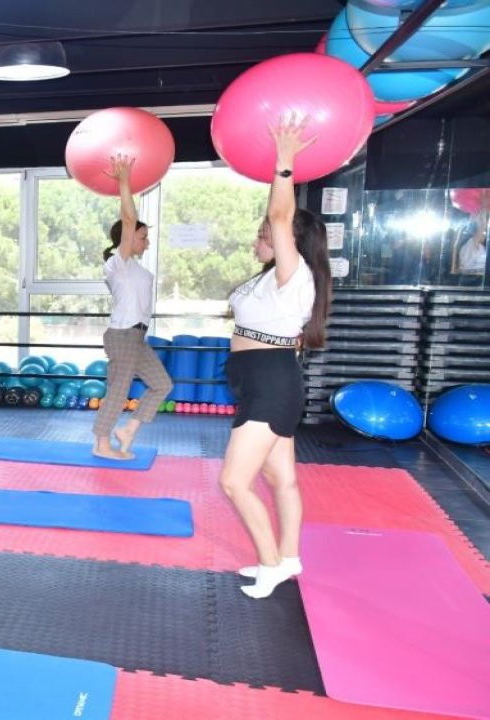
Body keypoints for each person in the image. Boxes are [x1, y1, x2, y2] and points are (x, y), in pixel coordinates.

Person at [220, 114, 332, 599]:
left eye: (263, 234)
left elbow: (283, 217)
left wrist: (283, 163)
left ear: (284, 241)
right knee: (280, 478)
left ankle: (268, 565)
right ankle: (289, 558)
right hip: (262, 377)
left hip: (270, 382)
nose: (258, 239)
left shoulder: (294, 272)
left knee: (233, 482)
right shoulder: (271, 278)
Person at [91, 154, 173, 460]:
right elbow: (127, 219)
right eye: (142, 236)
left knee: (162, 384)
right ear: (127, 239)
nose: (147, 242)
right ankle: (101, 443)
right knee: (119, 389)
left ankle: (128, 430)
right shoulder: (118, 264)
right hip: (123, 334)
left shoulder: (135, 267)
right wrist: (124, 181)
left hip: (137, 337)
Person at [450, 210, 486, 287]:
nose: (485, 234)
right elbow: (482, 227)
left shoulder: (465, 245)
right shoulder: (472, 243)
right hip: (474, 280)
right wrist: (484, 210)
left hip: (468, 278)